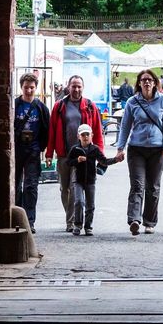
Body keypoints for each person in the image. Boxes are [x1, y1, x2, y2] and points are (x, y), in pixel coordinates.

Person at [113, 68, 163, 235]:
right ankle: (134, 220)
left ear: (155, 83)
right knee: (137, 185)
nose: (147, 82)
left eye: (150, 80)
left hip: (157, 150)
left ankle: (150, 222)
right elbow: (125, 126)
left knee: (153, 187)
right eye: (143, 80)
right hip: (136, 149)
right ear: (139, 83)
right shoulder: (133, 101)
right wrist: (120, 148)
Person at [44, 75, 104, 233]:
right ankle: (71, 216)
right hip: (64, 154)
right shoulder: (59, 106)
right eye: (73, 86)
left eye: (79, 86)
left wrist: (100, 155)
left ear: (83, 88)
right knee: (65, 188)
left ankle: (72, 222)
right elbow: (51, 132)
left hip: (83, 157)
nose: (76, 89)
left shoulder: (90, 106)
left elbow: (97, 132)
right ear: (68, 87)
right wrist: (49, 153)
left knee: (73, 186)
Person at [12, 72, 51, 230]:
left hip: (33, 151)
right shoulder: (15, 105)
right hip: (17, 149)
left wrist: (42, 148)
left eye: (32, 88)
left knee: (31, 186)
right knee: (15, 185)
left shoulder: (41, 108)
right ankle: (16, 217)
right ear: (21, 87)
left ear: (36, 88)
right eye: (26, 87)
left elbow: (46, 129)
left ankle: (29, 221)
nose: (29, 91)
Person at [65, 124, 118, 235]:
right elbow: (68, 162)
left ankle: (88, 226)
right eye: (83, 135)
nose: (85, 137)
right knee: (79, 201)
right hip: (78, 180)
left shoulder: (94, 149)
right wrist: (77, 160)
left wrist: (116, 159)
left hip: (90, 180)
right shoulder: (75, 149)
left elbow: (104, 161)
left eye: (87, 134)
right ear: (78, 136)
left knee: (90, 205)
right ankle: (77, 225)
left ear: (91, 136)